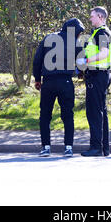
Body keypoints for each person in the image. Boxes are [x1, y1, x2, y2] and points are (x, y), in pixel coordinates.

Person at [33, 18, 85, 157]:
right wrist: (81, 73)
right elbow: (81, 62)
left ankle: (46, 147)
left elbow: (37, 60)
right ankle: (68, 147)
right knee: (68, 115)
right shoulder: (75, 41)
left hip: (48, 82)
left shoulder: (48, 38)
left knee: (45, 116)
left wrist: (37, 79)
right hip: (65, 82)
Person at [77, 7, 111, 157]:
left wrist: (85, 61)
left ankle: (96, 147)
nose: (90, 19)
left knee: (94, 112)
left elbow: (104, 53)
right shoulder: (98, 33)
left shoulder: (102, 33)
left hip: (98, 75)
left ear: (100, 16)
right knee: (101, 111)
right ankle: (104, 148)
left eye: (92, 16)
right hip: (100, 75)